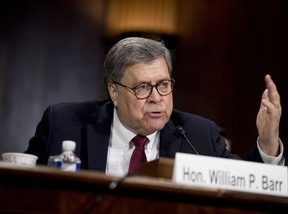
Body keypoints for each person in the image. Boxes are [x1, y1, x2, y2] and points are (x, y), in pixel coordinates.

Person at [25, 37, 285, 177]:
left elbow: (247, 184)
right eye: (141, 88)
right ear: (114, 92)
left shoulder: (198, 135)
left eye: (163, 84)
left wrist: (268, 143)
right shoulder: (63, 123)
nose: (156, 97)